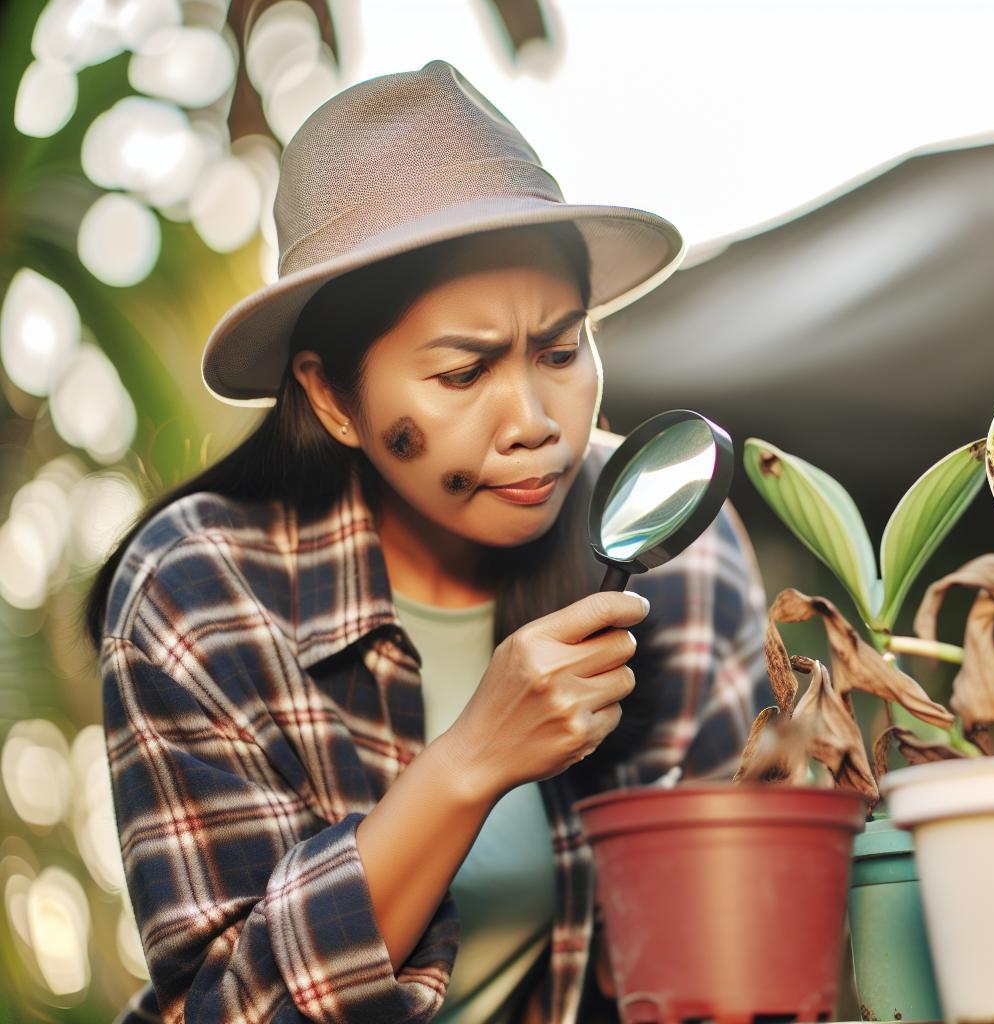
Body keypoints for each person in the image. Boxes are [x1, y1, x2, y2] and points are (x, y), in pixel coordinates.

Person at [83, 59, 772, 1024]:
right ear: (332, 397)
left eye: (563, 350)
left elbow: (730, 946)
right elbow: (224, 1008)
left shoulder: (682, 558)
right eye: (462, 374)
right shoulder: (200, 595)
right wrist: (469, 762)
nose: (534, 420)